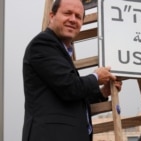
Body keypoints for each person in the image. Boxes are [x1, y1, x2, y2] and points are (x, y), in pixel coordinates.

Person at [22, 0, 122, 141]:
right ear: (52, 16)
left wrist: (101, 93)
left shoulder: (59, 51)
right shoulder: (42, 44)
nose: (73, 20)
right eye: (67, 13)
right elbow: (69, 87)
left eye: (78, 16)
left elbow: (70, 99)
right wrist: (95, 77)